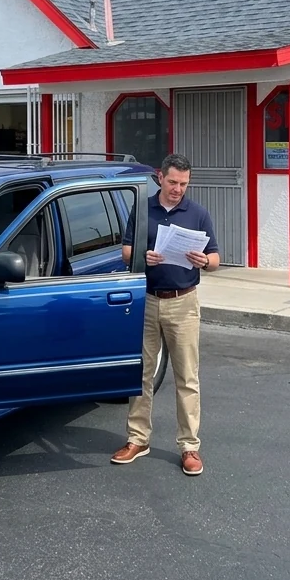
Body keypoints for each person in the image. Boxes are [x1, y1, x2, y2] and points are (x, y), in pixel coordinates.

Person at [111, 153, 220, 476]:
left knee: (187, 377)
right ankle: (137, 439)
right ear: (160, 177)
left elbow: (215, 258)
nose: (178, 189)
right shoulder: (143, 208)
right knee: (141, 374)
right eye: (173, 182)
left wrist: (204, 261)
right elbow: (126, 251)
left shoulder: (198, 213)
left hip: (183, 302)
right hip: (147, 300)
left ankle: (189, 446)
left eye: (184, 184)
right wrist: (144, 257)